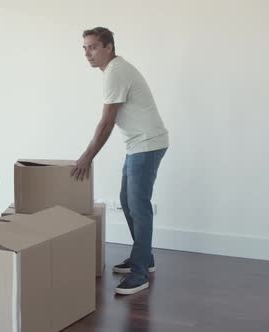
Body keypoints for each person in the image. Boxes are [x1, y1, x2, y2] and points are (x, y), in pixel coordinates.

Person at [71, 27, 169, 295]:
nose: (87, 53)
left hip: (147, 144)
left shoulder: (115, 71)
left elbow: (107, 122)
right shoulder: (113, 71)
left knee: (138, 206)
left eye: (92, 47)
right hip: (139, 144)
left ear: (109, 47)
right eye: (84, 48)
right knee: (128, 201)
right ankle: (144, 258)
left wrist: (87, 156)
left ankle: (140, 274)